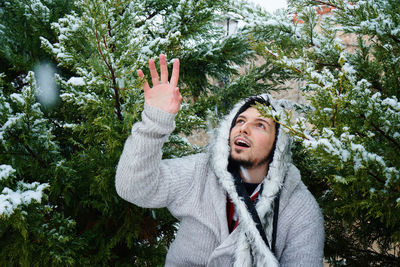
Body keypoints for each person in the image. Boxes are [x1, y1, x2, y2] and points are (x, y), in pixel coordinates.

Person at [115, 54, 324, 266]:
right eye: (240, 120)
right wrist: (155, 120)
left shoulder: (300, 210)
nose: (244, 128)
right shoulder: (199, 172)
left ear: (278, 146)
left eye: (260, 125)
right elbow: (133, 187)